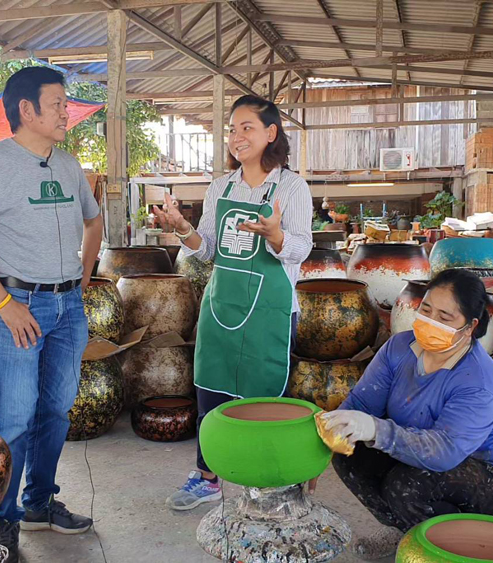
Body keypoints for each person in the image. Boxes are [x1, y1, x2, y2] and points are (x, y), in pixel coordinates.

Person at [0, 66, 104, 563]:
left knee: (56, 411)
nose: (67, 112)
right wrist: (3, 303)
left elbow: (93, 217)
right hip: (19, 306)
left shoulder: (68, 163)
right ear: (26, 110)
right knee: (14, 420)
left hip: (67, 307)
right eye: (57, 103)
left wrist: (83, 275)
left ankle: (38, 503)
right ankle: (2, 523)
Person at [153, 95, 314, 510]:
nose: (236, 137)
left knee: (264, 399)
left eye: (247, 128)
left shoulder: (291, 187)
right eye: (232, 129)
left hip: (271, 313)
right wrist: (182, 228)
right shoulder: (221, 188)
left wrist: (276, 236)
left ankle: (266, 480)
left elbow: (301, 248)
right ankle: (207, 477)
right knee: (211, 394)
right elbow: (206, 249)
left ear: (270, 134)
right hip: (222, 307)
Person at [321, 268, 493, 560]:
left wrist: (376, 430)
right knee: (349, 453)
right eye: (426, 310)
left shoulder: (478, 382)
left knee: (408, 485)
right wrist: (329, 435)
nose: (430, 322)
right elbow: (360, 405)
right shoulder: (399, 347)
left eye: (444, 318)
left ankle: (457, 546)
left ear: (470, 326)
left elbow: (443, 452)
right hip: (420, 450)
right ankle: (406, 533)